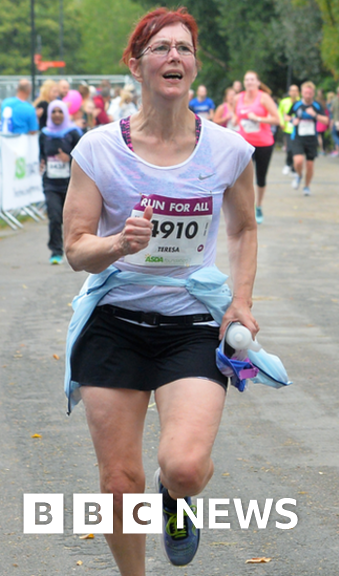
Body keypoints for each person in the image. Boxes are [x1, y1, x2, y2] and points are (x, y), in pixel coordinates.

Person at [62, 7, 258, 573]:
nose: (174, 56)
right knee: (120, 482)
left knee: (186, 466)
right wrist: (118, 245)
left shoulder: (227, 150)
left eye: (184, 48)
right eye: (160, 48)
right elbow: (76, 247)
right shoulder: (99, 149)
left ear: (195, 65)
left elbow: (244, 228)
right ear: (136, 65)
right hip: (114, 321)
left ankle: (178, 501)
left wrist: (241, 301)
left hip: (192, 323)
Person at [38, 99, 82, 265]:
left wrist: (68, 158)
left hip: (72, 184)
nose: (57, 115)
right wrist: (42, 161)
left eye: (60, 111)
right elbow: (42, 153)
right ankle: (56, 251)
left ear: (65, 114)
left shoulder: (73, 133)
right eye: (54, 111)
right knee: (55, 217)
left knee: (72, 219)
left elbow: (83, 157)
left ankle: (74, 248)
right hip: (50, 183)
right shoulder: (44, 134)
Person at [234, 70, 281, 223]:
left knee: (260, 177)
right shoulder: (238, 98)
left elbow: (277, 120)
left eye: (252, 80)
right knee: (242, 178)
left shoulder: (264, 98)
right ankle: (245, 208)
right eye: (246, 80)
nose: (249, 82)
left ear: (258, 82)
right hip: (244, 144)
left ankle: (258, 206)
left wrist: (258, 118)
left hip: (263, 144)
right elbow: (238, 117)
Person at [288, 81, 328, 196]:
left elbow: (326, 120)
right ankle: (299, 175)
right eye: (306, 93)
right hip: (297, 137)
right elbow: (287, 116)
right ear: (302, 93)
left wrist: (314, 115)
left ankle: (306, 186)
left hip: (311, 138)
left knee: (310, 165)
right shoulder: (296, 105)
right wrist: (292, 120)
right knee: (298, 161)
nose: (308, 95)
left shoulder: (317, 105)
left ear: (313, 93)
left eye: (310, 93)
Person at [278, 84, 299, 175]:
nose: (294, 92)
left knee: (297, 150)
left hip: (298, 129)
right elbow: (279, 112)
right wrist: (282, 123)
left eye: (296, 90)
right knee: (290, 148)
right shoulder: (284, 102)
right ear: (289, 92)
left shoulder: (300, 102)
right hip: (288, 129)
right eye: (292, 90)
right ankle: (288, 164)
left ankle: (294, 168)